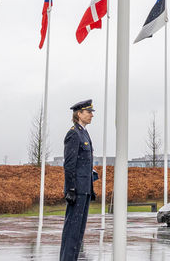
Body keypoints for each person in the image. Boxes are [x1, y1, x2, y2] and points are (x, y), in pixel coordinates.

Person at [60, 99, 98, 261]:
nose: (91, 115)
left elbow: (86, 165)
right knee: (72, 231)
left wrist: (91, 187)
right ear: (79, 114)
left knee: (79, 232)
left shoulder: (84, 133)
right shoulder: (73, 134)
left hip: (85, 189)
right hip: (77, 190)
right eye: (88, 112)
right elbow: (69, 165)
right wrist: (71, 189)